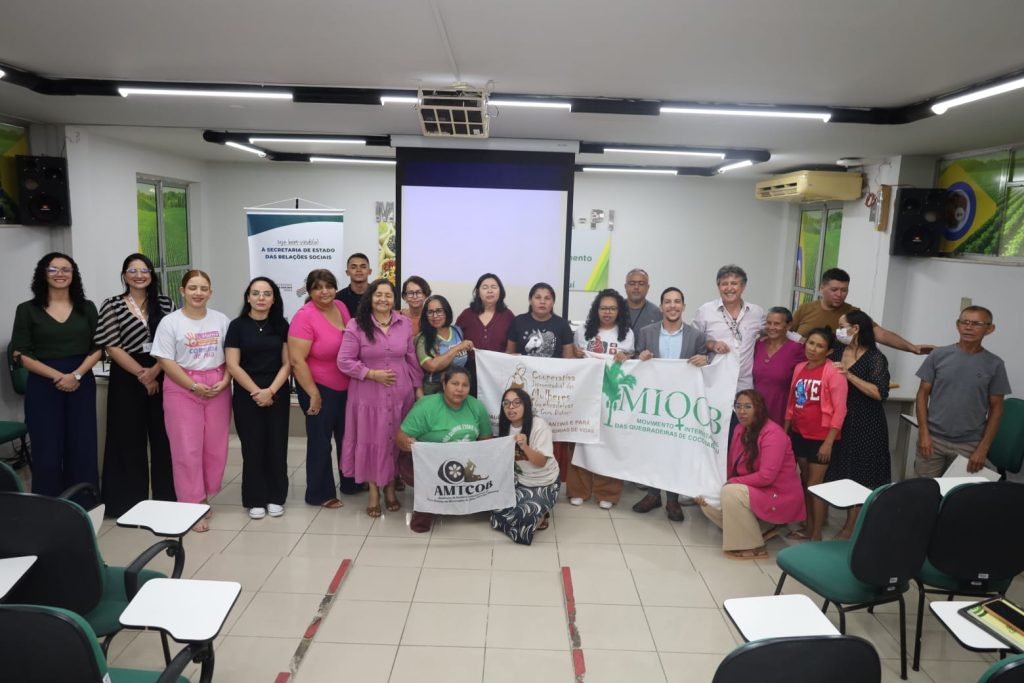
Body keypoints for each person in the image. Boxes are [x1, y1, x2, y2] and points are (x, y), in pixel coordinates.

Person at [11, 252, 101, 497]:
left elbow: (98, 347)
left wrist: (76, 375)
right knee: (46, 447)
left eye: (65, 269)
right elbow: (21, 353)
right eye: (53, 269)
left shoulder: (87, 308)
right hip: (43, 384)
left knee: (82, 445)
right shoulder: (27, 310)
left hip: (82, 381)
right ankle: (49, 504)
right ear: (43, 273)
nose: (60, 274)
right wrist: (59, 376)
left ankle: (84, 501)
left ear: (73, 275)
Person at [94, 253, 175, 516]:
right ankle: (126, 502)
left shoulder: (166, 303)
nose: (139, 275)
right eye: (132, 270)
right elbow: (111, 345)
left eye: (144, 270)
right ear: (124, 275)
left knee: (164, 438)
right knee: (127, 438)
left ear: (152, 274)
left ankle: (168, 498)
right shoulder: (112, 305)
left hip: (162, 368)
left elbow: (173, 341)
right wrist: (143, 374)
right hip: (127, 375)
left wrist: (155, 372)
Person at [151, 270, 231, 531]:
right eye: (193, 288)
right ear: (182, 291)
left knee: (214, 447)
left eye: (203, 288)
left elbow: (232, 356)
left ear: (211, 292)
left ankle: (204, 495)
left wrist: (225, 380)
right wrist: (193, 386)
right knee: (187, 449)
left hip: (217, 387)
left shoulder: (221, 320)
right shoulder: (170, 322)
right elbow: (165, 360)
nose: (198, 293)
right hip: (182, 387)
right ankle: (191, 505)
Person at [338, 278, 423, 518]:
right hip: (368, 396)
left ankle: (390, 486)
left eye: (388, 295)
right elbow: (344, 361)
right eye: (378, 294)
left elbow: (411, 358)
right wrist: (372, 374)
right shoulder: (356, 325)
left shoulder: (404, 323)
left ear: (394, 299)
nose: (383, 299)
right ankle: (374, 490)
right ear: (370, 297)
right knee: (372, 440)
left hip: (400, 394)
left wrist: (418, 389)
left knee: (394, 439)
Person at [696, 390, 805, 560]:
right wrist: (712, 488)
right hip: (754, 489)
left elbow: (766, 476)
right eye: (738, 406)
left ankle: (754, 547)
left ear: (759, 408)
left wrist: (732, 482)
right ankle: (760, 529)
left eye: (748, 407)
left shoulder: (773, 434)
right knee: (707, 499)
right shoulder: (740, 429)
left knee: (731, 491)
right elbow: (730, 466)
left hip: (777, 494)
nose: (742, 411)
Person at [632, 286, 709, 521]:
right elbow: (635, 361)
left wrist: (705, 359)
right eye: (668, 301)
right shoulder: (646, 332)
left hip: (681, 405)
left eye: (677, 302)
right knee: (653, 448)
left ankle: (673, 499)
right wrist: (640, 357)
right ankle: (653, 495)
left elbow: (706, 367)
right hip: (653, 403)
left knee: (676, 451)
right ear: (661, 306)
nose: (672, 306)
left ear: (683, 306)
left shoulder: (696, 336)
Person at [914, 305, 1010, 477]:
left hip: (970, 444)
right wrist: (923, 433)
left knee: (961, 493)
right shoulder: (938, 355)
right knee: (925, 490)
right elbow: (922, 395)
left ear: (990, 329)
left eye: (976, 323)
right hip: (933, 439)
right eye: (964, 322)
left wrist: (983, 448)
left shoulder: (995, 364)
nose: (968, 327)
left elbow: (996, 409)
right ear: (957, 325)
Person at [225, 277, 291, 520]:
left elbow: (288, 363)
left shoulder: (281, 325)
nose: (261, 298)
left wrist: (270, 391)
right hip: (247, 394)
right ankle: (255, 498)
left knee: (276, 445)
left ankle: (275, 496)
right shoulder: (237, 326)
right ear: (248, 298)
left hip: (277, 392)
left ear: (274, 299)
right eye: (256, 293)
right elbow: (233, 365)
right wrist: (257, 391)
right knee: (252, 447)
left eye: (266, 294)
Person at [288, 269, 355, 508]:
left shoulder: (341, 307)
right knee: (320, 442)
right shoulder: (304, 317)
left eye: (329, 286)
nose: (324, 292)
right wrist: (313, 394)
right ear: (309, 291)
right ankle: (319, 493)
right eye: (317, 288)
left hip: (346, 385)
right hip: (317, 387)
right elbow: (297, 361)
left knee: (347, 436)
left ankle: (350, 482)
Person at [396, 367, 492, 533]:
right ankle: (425, 511)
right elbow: (400, 437)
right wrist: (408, 443)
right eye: (455, 383)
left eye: (465, 385)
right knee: (427, 480)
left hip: (465, 462)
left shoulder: (476, 406)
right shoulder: (427, 406)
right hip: (429, 463)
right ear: (444, 384)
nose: (460, 389)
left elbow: (486, 440)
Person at [824, 311, 890, 539]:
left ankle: (851, 526)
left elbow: (879, 393)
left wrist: (849, 376)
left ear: (856, 329)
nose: (838, 331)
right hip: (840, 420)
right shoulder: (838, 351)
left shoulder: (875, 357)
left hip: (866, 421)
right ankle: (836, 520)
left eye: (842, 326)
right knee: (843, 469)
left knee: (862, 473)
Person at [567, 288, 634, 509]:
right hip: (586, 394)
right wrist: (577, 354)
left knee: (610, 442)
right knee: (581, 439)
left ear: (619, 311)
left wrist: (627, 356)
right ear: (596, 309)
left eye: (612, 308)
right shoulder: (583, 331)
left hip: (612, 396)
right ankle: (579, 490)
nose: (607, 312)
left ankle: (607, 492)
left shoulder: (627, 333)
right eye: (603, 308)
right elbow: (574, 359)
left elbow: (631, 362)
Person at [783, 327, 847, 541]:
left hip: (821, 437)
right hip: (799, 433)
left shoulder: (834, 372)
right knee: (805, 482)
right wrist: (785, 432)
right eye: (811, 343)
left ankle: (816, 534)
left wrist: (828, 442)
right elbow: (792, 403)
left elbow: (840, 410)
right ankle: (809, 527)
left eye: (820, 346)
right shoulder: (800, 368)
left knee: (815, 485)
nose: (813, 349)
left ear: (828, 352)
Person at [790, 268, 932, 355]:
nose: (839, 294)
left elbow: (881, 334)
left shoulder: (853, 314)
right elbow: (787, 334)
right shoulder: (805, 309)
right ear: (822, 288)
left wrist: (912, 348)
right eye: (834, 290)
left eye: (844, 290)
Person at [491, 387, 560, 545]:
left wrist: (525, 447)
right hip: (519, 479)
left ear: (526, 405)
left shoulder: (539, 426)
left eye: (516, 403)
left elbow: (541, 462)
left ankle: (541, 514)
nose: (511, 407)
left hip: (543, 481)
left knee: (524, 517)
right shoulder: (505, 426)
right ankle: (535, 515)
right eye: (506, 403)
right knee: (495, 510)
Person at [694, 265, 766, 393]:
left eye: (734, 283)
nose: (729, 288)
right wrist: (712, 345)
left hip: (744, 386)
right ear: (718, 287)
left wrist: (799, 338)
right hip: (713, 384)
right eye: (724, 284)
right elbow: (693, 340)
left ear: (743, 286)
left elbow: (775, 329)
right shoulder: (705, 311)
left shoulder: (756, 312)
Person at [455, 273, 516, 393]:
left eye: (494, 287)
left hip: (499, 371)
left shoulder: (508, 316)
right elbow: (456, 342)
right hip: (470, 372)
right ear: (478, 292)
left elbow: (512, 347)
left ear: (500, 291)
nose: (490, 291)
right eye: (485, 287)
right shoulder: (467, 314)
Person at [752, 306, 805, 426]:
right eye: (768, 323)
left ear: (788, 326)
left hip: (781, 410)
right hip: (756, 408)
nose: (771, 327)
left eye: (777, 324)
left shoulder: (797, 349)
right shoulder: (758, 345)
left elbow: (803, 383)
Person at [415, 294, 473, 395]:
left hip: (459, 390)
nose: (435, 316)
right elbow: (432, 366)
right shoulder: (422, 338)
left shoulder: (457, 331)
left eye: (439, 311)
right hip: (434, 392)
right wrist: (458, 348)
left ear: (446, 311)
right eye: (430, 312)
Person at [506, 283, 574, 359]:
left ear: (553, 302)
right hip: (523, 367)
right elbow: (509, 354)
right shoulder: (518, 321)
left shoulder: (563, 324)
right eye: (538, 297)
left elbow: (568, 358)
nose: (542, 301)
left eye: (547, 298)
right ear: (530, 300)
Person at [623, 268, 662, 334]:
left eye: (641, 284)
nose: (636, 287)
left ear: (647, 287)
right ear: (625, 286)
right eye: (632, 283)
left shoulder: (657, 313)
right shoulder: (616, 308)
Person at [335, 252, 372, 317]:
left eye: (363, 267)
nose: (358, 270)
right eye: (353, 267)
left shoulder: (377, 295)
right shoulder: (338, 298)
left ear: (369, 271)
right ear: (347, 272)